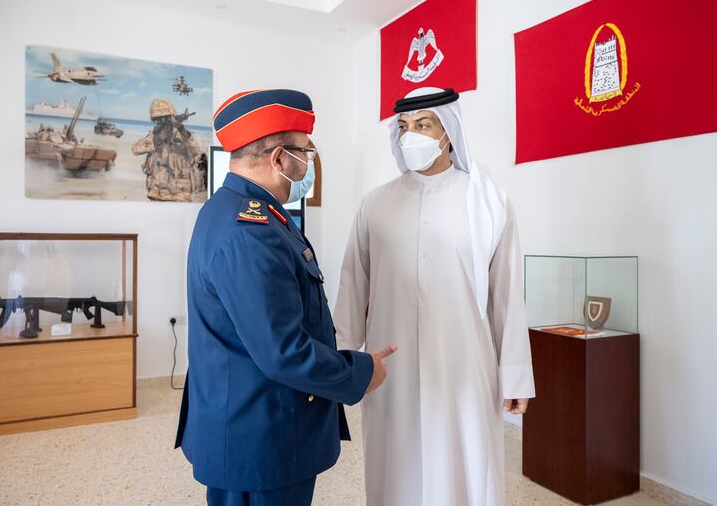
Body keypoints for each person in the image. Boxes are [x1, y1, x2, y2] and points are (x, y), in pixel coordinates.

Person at [174, 88, 396, 506]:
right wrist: (361, 372)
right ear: (280, 158)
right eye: (305, 155)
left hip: (245, 418)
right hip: (261, 433)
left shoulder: (237, 209)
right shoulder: (251, 232)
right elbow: (283, 352)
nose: (309, 165)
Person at [334, 87, 535, 506]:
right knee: (395, 468)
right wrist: (340, 361)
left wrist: (516, 374)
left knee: (464, 466)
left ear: (448, 130)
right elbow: (353, 285)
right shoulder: (376, 204)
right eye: (404, 127)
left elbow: (507, 297)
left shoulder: (488, 202)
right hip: (391, 366)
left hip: (463, 362)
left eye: (423, 124)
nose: (412, 135)